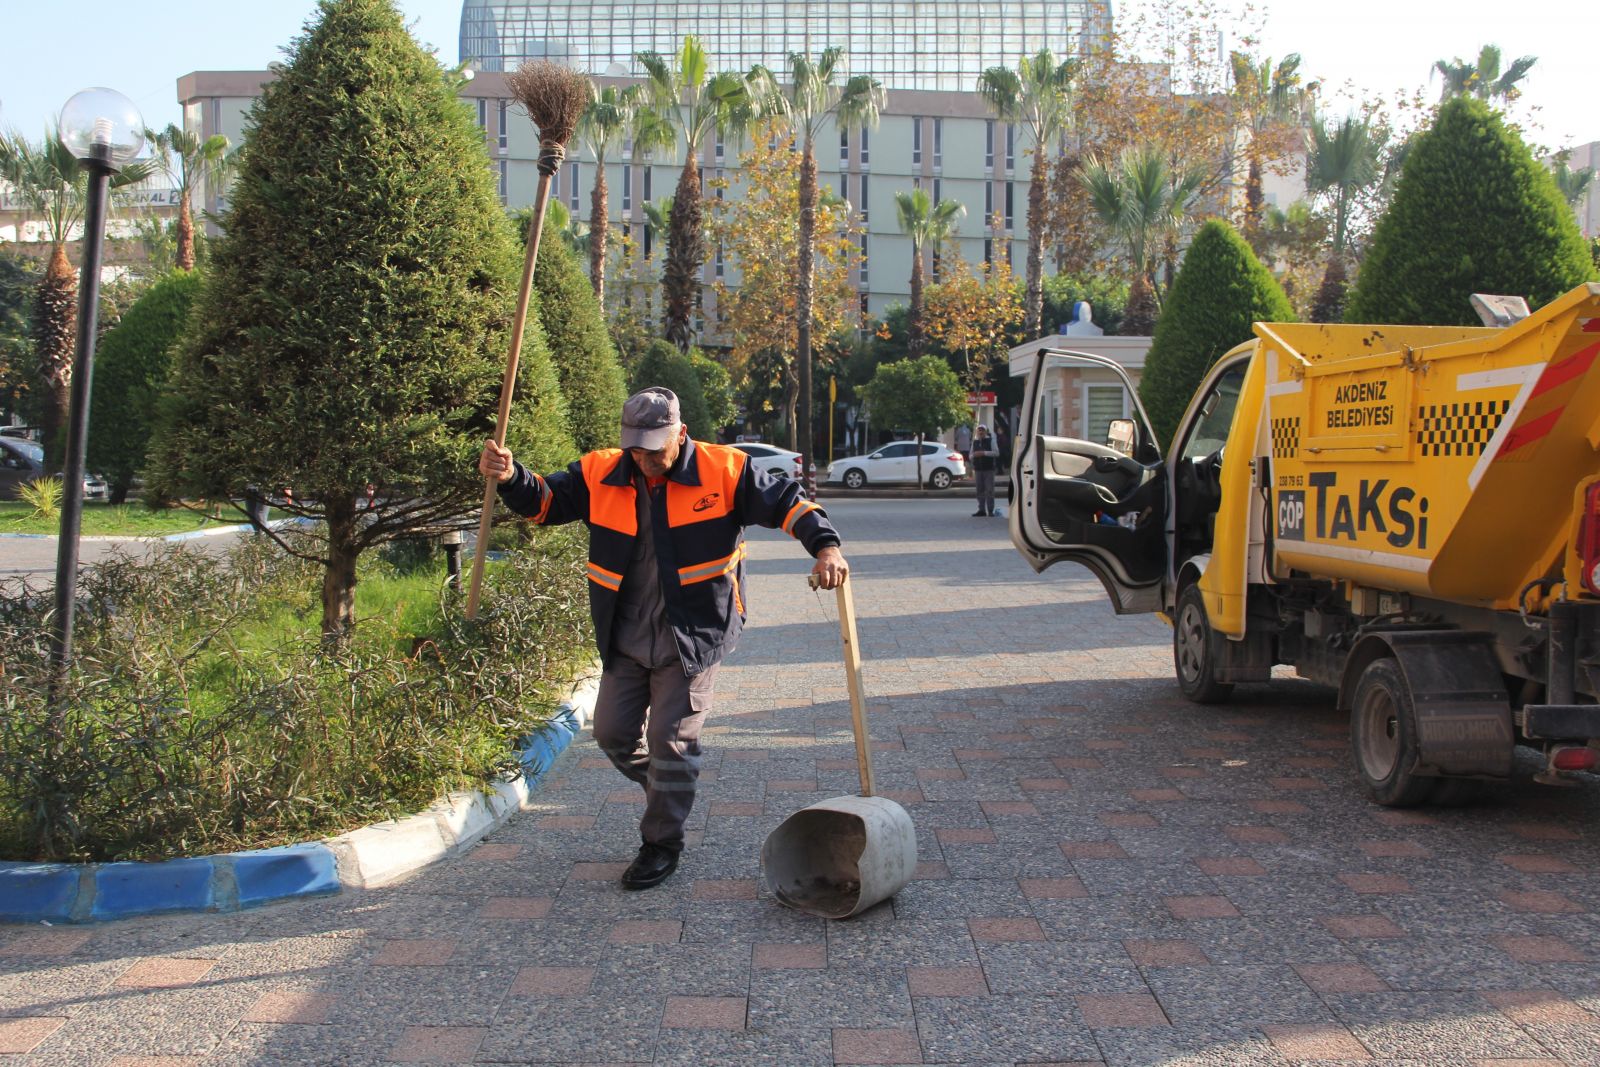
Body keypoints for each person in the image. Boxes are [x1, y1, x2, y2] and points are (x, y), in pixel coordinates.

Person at [479, 387, 849, 890]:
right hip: (626, 632)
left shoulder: (726, 470)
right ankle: (670, 786)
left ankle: (661, 842)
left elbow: (789, 503)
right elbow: (544, 503)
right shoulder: (600, 472)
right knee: (611, 734)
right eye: (636, 447)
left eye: (656, 446)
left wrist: (825, 548)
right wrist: (510, 476)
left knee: (670, 742)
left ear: (681, 432)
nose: (646, 458)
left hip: (693, 633)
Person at [970, 424, 1000, 516]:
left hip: (988, 469)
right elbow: (970, 455)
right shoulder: (975, 442)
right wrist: (974, 455)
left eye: (982, 430)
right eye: (979, 430)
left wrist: (984, 453)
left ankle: (990, 510)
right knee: (979, 490)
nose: (980, 432)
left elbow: (996, 453)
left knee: (989, 490)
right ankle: (981, 510)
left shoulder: (991, 440)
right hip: (978, 469)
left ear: (986, 432)